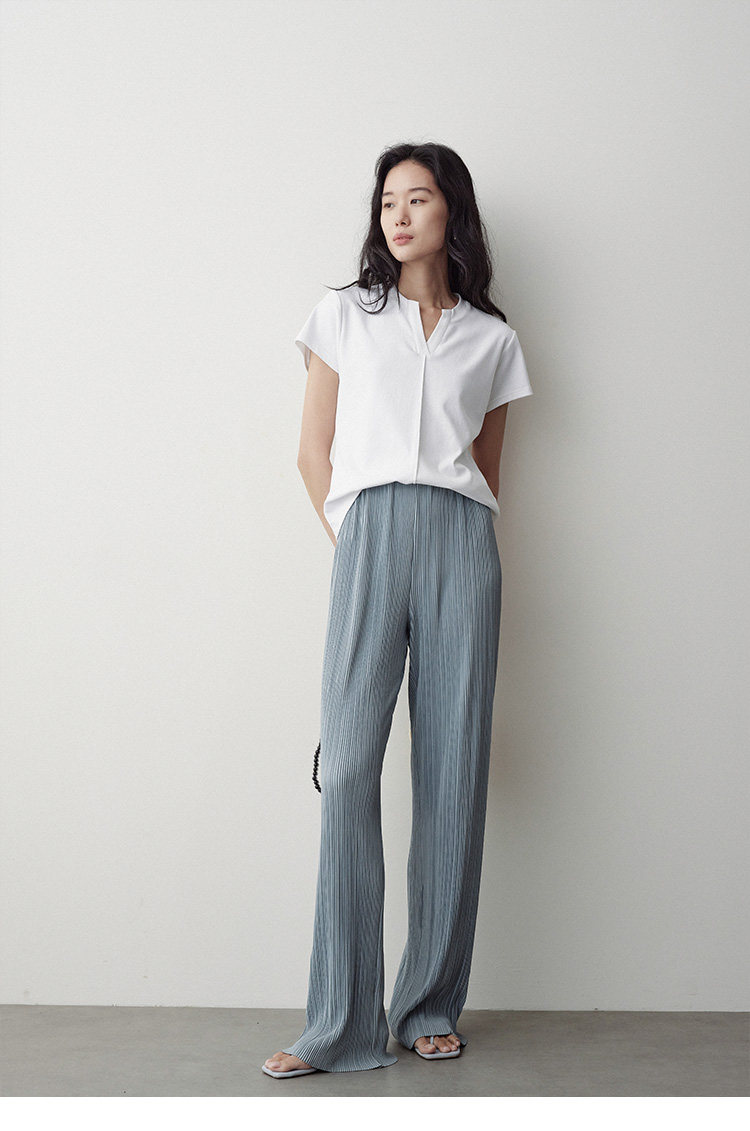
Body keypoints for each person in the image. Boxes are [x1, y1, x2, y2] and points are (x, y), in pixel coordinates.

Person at [262, 142, 533, 1078]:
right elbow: (313, 452)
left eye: (418, 198)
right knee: (346, 769)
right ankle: (338, 1020)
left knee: (453, 773)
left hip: (462, 542)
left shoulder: (492, 339)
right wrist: (359, 544)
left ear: (452, 210)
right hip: (369, 533)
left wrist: (452, 544)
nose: (400, 215)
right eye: (388, 202)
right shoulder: (345, 314)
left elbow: (488, 473)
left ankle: (427, 1005)